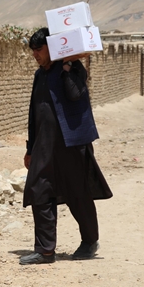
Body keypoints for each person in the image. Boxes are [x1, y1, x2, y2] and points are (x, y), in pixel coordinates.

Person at [20, 27, 113, 265]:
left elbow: (74, 94)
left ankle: (89, 242)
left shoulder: (74, 69)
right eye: (33, 50)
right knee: (39, 191)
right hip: (44, 145)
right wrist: (30, 148)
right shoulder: (40, 76)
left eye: (39, 50)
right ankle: (45, 251)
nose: (35, 55)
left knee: (78, 193)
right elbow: (34, 114)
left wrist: (68, 66)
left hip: (71, 144)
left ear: (52, 48)